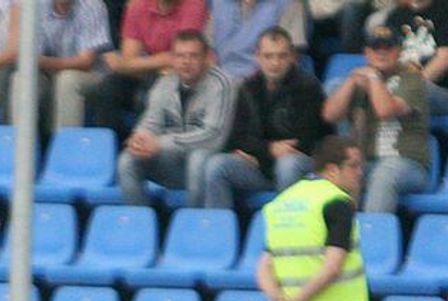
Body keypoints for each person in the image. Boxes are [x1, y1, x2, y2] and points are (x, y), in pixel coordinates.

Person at [257, 135, 370, 301]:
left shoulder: (282, 203)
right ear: (331, 170)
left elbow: (264, 267)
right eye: (353, 165)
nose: (360, 173)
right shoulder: (337, 202)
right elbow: (332, 267)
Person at [202, 26, 326, 209]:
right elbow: (236, 138)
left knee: (288, 164)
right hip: (260, 166)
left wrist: (258, 152)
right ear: (257, 57)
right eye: (268, 56)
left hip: (302, 167)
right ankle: (217, 231)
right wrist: (268, 149)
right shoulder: (247, 88)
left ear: (292, 57)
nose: (275, 63)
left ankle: (288, 228)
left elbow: (306, 142)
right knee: (217, 166)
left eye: (281, 56)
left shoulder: (308, 87)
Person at [116, 29, 235, 207]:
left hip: (212, 164)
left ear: (206, 57)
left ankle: (196, 225)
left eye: (193, 56)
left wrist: (159, 143)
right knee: (127, 160)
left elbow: (213, 137)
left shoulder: (223, 83)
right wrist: (139, 139)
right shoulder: (165, 83)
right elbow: (151, 122)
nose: (186, 62)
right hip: (173, 163)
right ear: (172, 58)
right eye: (180, 56)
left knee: (198, 159)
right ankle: (141, 226)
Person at [320, 25, 429, 213]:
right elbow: (329, 115)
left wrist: (372, 76)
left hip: (409, 164)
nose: (382, 52)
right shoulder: (360, 77)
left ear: (399, 51)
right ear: (366, 52)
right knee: (336, 171)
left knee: (384, 173)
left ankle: (372, 239)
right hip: (368, 163)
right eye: (376, 48)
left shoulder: (412, 77)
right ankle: (337, 235)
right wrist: (351, 81)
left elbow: (385, 110)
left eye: (388, 47)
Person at [85, 0, 208, 138]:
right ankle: (111, 148)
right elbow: (129, 59)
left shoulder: (195, 5)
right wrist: (157, 62)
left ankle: (144, 150)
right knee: (108, 88)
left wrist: (136, 63)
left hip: (181, 76)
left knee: (148, 95)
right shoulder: (139, 6)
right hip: (146, 72)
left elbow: (182, 55)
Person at [5, 0, 114, 135]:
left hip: (92, 75)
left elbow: (85, 62)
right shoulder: (38, 6)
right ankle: (19, 146)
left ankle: (65, 147)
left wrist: (41, 61)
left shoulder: (92, 6)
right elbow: (30, 57)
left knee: (68, 80)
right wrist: (38, 61)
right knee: (21, 78)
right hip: (49, 71)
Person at [383, 0, 448, 115]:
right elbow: (383, 58)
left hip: (439, 90)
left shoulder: (447, 9)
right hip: (399, 84)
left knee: (414, 90)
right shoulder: (396, 15)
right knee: (362, 87)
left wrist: (410, 85)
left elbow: (445, 60)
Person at [206, 0, 308, 79]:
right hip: (220, 80)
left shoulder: (289, 4)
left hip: (263, 82)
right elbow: (208, 50)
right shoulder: (219, 2)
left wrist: (253, 83)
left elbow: (290, 58)